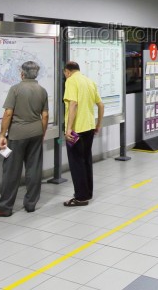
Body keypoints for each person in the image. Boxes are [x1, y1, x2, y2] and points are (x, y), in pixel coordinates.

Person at [0, 61, 49, 217]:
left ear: (22, 74)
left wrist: (2, 135)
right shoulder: (42, 91)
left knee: (11, 171)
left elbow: (8, 113)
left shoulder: (15, 89)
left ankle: (5, 207)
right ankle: (30, 204)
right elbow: (45, 116)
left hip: (17, 134)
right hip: (36, 132)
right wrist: (41, 133)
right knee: (34, 169)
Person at [63, 61, 104, 207]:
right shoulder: (89, 81)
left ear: (67, 72)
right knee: (86, 160)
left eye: (65, 74)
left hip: (76, 130)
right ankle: (88, 193)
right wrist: (98, 124)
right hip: (89, 128)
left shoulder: (71, 81)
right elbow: (100, 104)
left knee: (76, 162)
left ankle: (80, 197)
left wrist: (68, 129)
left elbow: (73, 104)